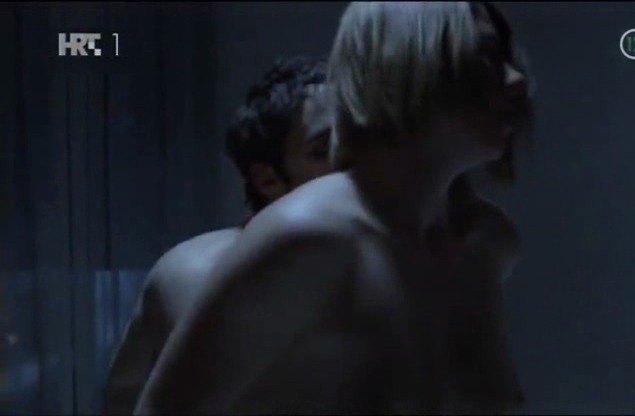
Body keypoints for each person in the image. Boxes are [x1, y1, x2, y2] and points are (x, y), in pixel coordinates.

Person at [135, 2, 533, 414]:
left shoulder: (487, 242)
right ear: (407, 68)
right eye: (486, 56)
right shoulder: (310, 236)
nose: (516, 79)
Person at [102, 56, 334, 415]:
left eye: (361, 147)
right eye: (324, 151)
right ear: (267, 179)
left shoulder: (384, 265)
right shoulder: (195, 273)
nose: (351, 165)